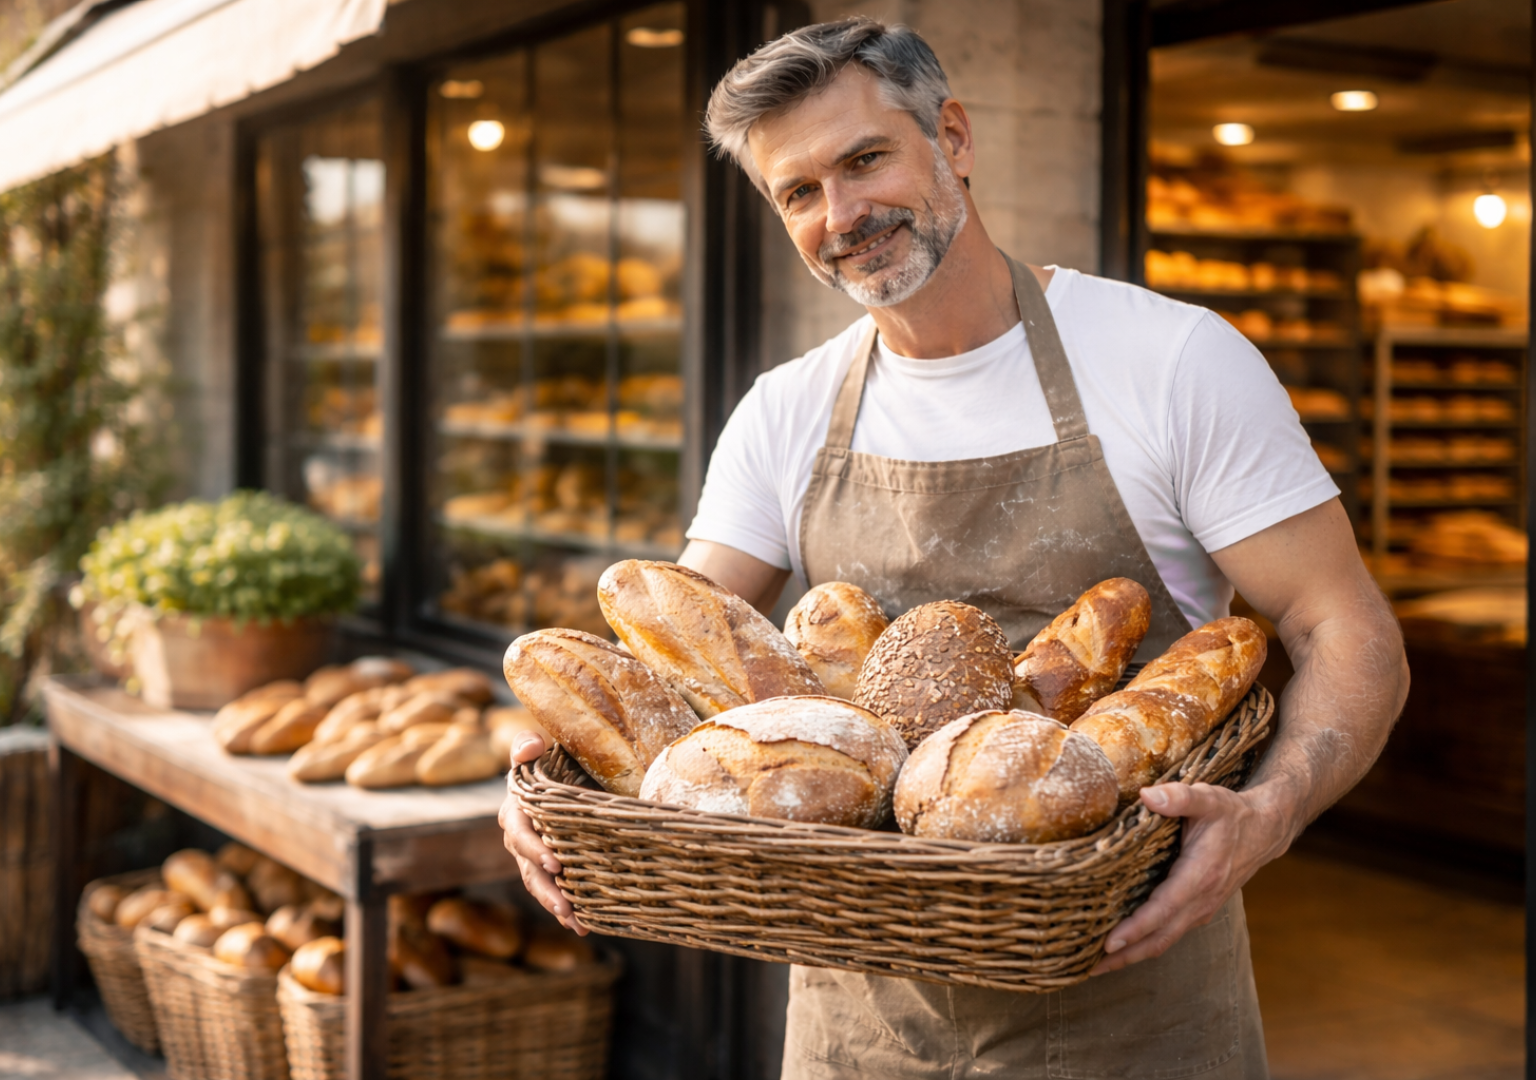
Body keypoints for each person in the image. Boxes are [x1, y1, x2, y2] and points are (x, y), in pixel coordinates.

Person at [501, 17, 1409, 1078]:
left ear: (955, 138)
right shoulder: (783, 413)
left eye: (865, 159)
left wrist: (1270, 814)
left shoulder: (1171, 362)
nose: (842, 215)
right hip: (860, 1026)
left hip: (1132, 998)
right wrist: (537, 787)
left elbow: (1342, 626)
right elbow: (675, 664)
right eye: (799, 193)